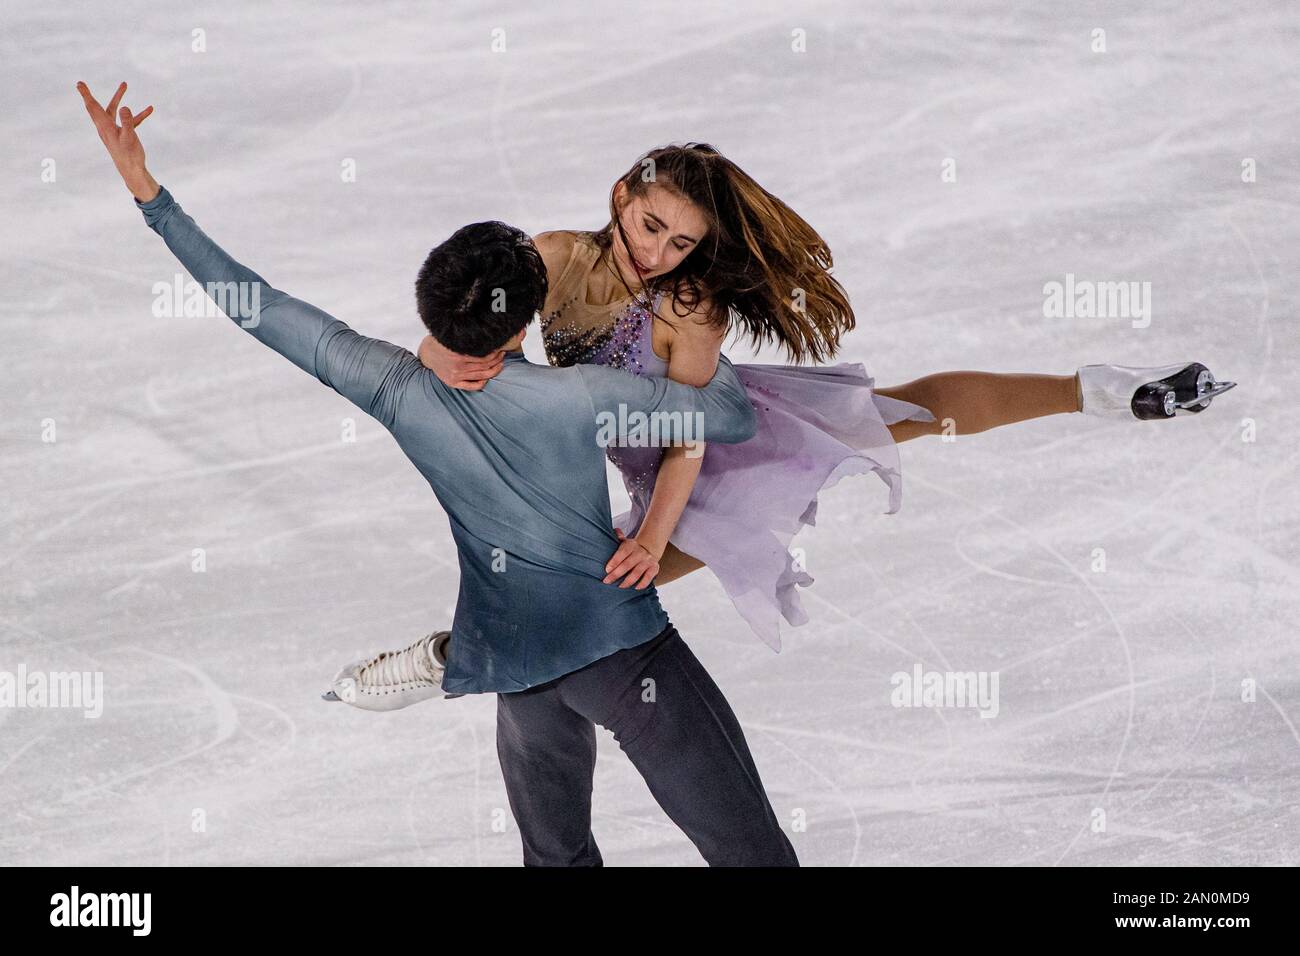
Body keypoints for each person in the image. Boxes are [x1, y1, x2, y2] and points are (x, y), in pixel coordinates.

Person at [77, 79, 799, 866]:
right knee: (754, 853)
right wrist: (702, 326)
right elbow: (726, 418)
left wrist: (150, 194)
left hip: (515, 673)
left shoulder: (390, 387)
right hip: (618, 653)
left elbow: (254, 304)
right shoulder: (581, 396)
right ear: (525, 322)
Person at [338, 142, 1237, 708]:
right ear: (621, 195)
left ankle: (1103, 390)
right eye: (649, 226)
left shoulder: (689, 306)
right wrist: (436, 347)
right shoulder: (555, 259)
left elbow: (691, 430)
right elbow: (472, 305)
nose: (655, 253)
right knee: (899, 412)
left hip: (712, 460)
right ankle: (454, 656)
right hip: (622, 459)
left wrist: (655, 532)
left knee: (907, 413)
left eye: (678, 242)